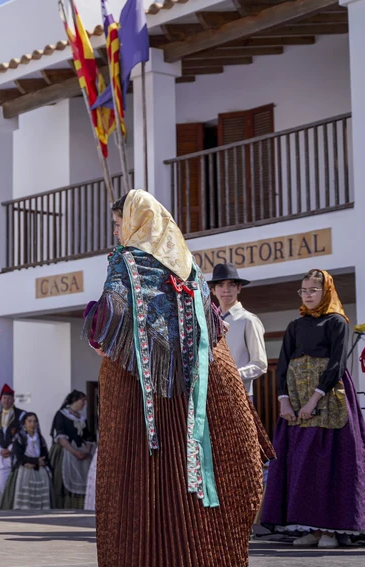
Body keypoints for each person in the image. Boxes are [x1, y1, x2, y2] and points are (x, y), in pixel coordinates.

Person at [84, 190, 270, 567]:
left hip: (140, 400)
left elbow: (111, 313)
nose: (118, 233)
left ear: (138, 225)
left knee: (144, 481)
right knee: (189, 480)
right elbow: (213, 332)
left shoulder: (127, 262)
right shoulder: (191, 270)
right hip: (190, 402)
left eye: (120, 224)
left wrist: (93, 322)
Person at [261, 269, 365, 548]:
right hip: (296, 402)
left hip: (329, 399)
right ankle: (311, 527)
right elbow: (283, 364)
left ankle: (330, 530)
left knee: (329, 463)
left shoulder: (337, 322)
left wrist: (313, 401)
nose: (307, 295)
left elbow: (337, 364)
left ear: (326, 292)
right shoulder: (296, 326)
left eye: (313, 290)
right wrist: (284, 400)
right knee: (303, 464)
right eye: (304, 290)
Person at [209, 263, 268, 401]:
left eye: (231, 285)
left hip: (239, 395)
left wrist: (231, 375)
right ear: (213, 290)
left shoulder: (248, 320)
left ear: (239, 288)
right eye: (220, 285)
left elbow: (260, 364)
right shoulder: (207, 322)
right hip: (211, 396)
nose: (226, 290)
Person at [48, 390, 94, 509]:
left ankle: (81, 506)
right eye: (82, 400)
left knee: (83, 479)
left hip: (82, 455)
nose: (84, 403)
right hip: (65, 452)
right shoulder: (61, 415)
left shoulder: (82, 418)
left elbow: (89, 437)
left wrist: (87, 452)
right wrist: (75, 452)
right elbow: (60, 436)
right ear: (74, 400)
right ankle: (65, 507)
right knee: (63, 480)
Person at [0, 412, 51, 510]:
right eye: (29, 421)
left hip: (38, 471)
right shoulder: (19, 438)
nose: (32, 424)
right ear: (24, 423)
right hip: (24, 471)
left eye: (35, 421)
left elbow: (45, 454)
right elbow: (19, 456)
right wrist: (35, 461)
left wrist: (40, 461)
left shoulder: (40, 438)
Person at [0, 384, 25, 495]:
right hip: (3, 456)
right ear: (1, 399)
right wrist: (0, 450)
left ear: (13, 400)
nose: (6, 401)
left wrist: (11, 448)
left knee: (17, 483)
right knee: (2, 485)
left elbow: (22, 434)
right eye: (4, 398)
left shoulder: (21, 415)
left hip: (16, 454)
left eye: (9, 398)